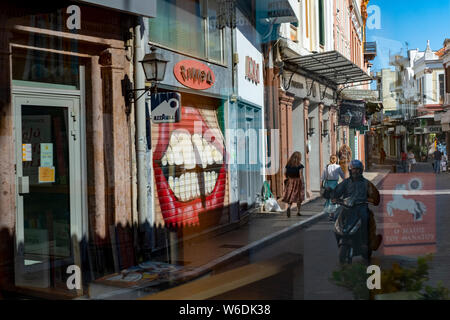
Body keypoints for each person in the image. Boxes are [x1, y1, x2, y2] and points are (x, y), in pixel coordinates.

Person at [330, 160, 383, 253]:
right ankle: (339, 239)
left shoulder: (366, 183)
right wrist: (332, 195)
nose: (355, 171)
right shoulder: (346, 182)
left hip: (361, 207)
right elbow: (337, 191)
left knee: (365, 217)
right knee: (336, 215)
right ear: (350, 170)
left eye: (357, 169)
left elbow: (375, 196)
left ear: (361, 170)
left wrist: (372, 199)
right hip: (347, 207)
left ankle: (365, 243)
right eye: (353, 169)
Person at [321, 155, 345, 220]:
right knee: (334, 198)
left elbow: (323, 176)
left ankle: (331, 214)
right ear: (336, 160)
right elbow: (342, 175)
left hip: (328, 184)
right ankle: (333, 214)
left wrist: (322, 185)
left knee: (329, 199)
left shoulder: (327, 166)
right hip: (334, 184)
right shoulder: (338, 167)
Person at [282, 151, 305, 218]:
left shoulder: (288, 165)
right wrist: (303, 183)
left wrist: (288, 178)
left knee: (290, 195)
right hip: (297, 181)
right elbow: (301, 175)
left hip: (290, 181)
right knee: (298, 196)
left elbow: (285, 173)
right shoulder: (300, 165)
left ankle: (289, 207)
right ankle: (298, 211)